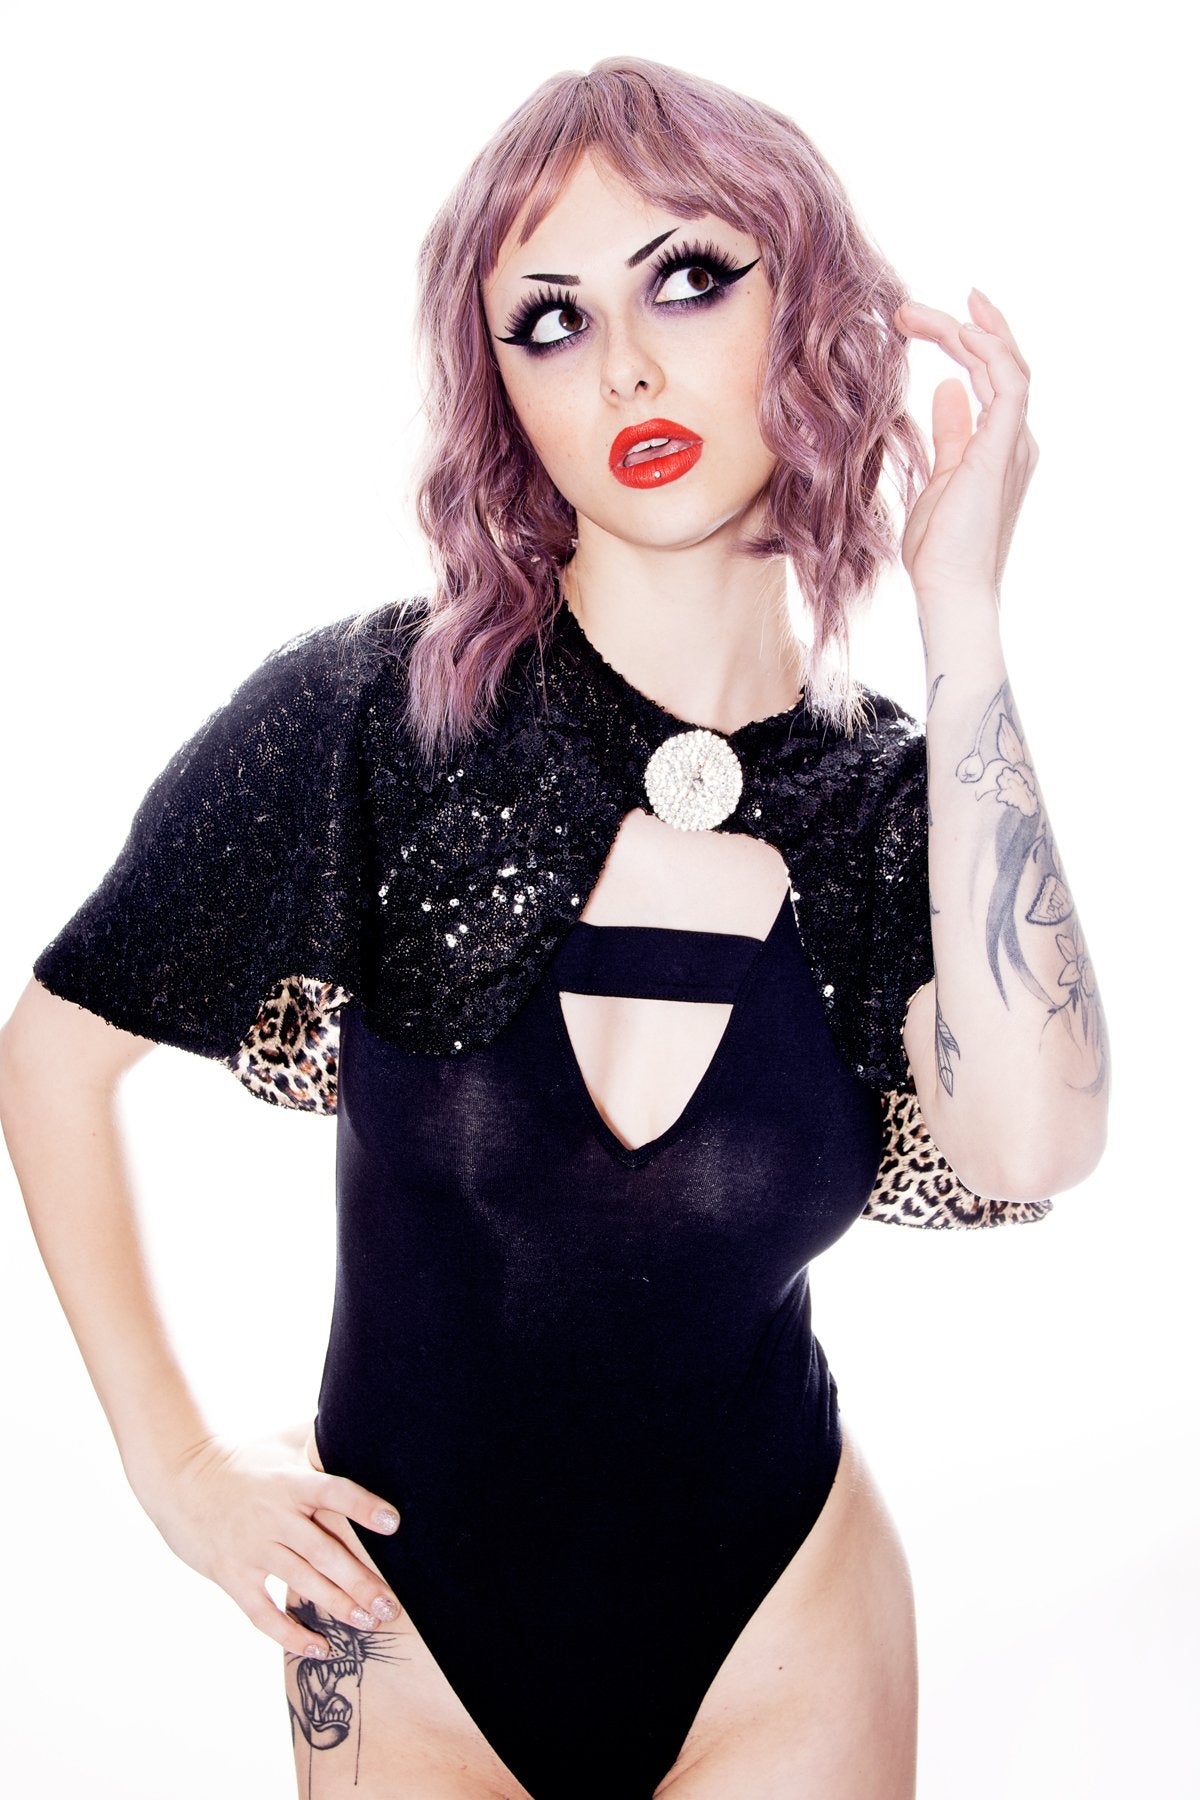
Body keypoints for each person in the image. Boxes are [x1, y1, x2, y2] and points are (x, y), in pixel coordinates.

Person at [0, 55, 1107, 1800]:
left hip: (783, 1635)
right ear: (498, 385)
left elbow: (1032, 1147)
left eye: (690, 277)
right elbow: (55, 1056)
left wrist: (959, 607)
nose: (629, 367)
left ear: (813, 314)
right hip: (404, 1653)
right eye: (551, 319)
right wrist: (178, 1471)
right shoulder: (368, 721)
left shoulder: (898, 806)